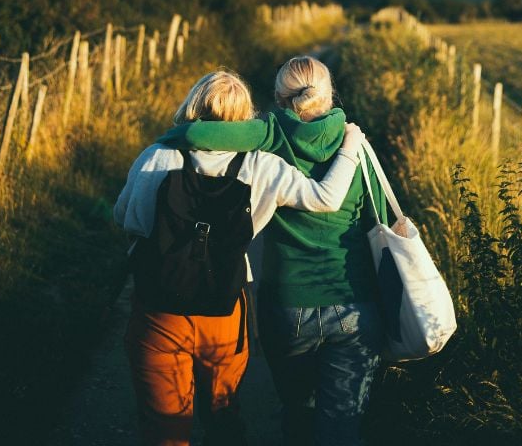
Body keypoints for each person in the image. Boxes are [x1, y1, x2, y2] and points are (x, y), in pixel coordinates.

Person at [114, 69, 365, 446]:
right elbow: (324, 198)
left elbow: (124, 217)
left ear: (193, 104)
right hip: (225, 308)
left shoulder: (157, 156)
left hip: (158, 308)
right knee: (223, 413)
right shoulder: (261, 165)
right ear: (246, 116)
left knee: (162, 425)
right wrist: (350, 146)